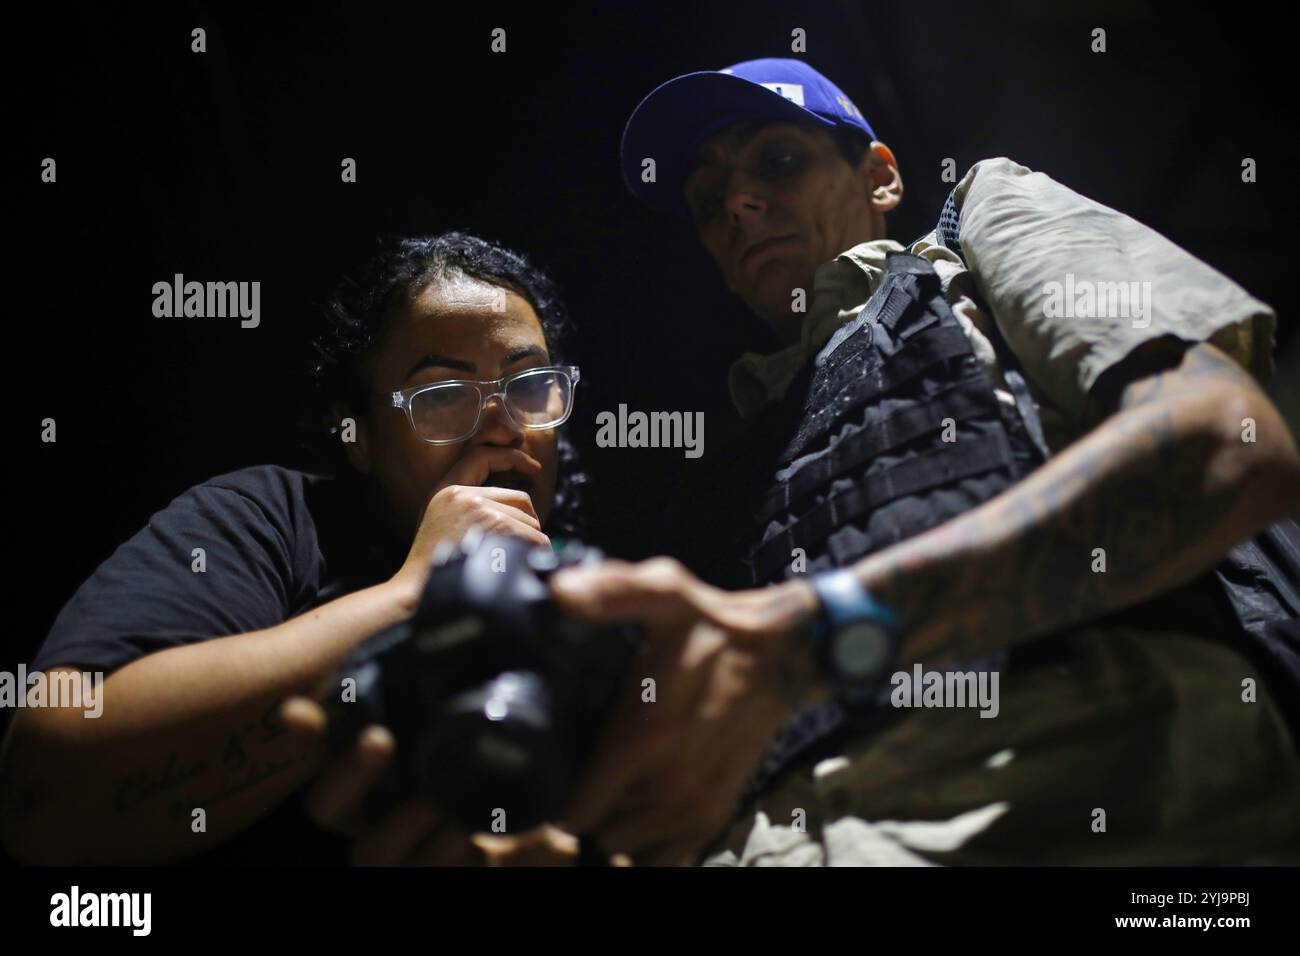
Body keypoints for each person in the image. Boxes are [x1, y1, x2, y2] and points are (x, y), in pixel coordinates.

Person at [546, 58, 1300, 865]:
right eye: (707, 202)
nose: (737, 203)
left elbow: (1221, 447)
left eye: (780, 160)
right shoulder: (730, 460)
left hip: (1074, 796)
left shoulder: (974, 236)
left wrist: (807, 643)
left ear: (878, 178)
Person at [0, 232, 587, 865]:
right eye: (442, 396)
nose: (503, 427)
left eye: (530, 386)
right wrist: (413, 593)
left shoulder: (590, 599)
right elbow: (44, 796)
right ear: (357, 434)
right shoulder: (268, 523)